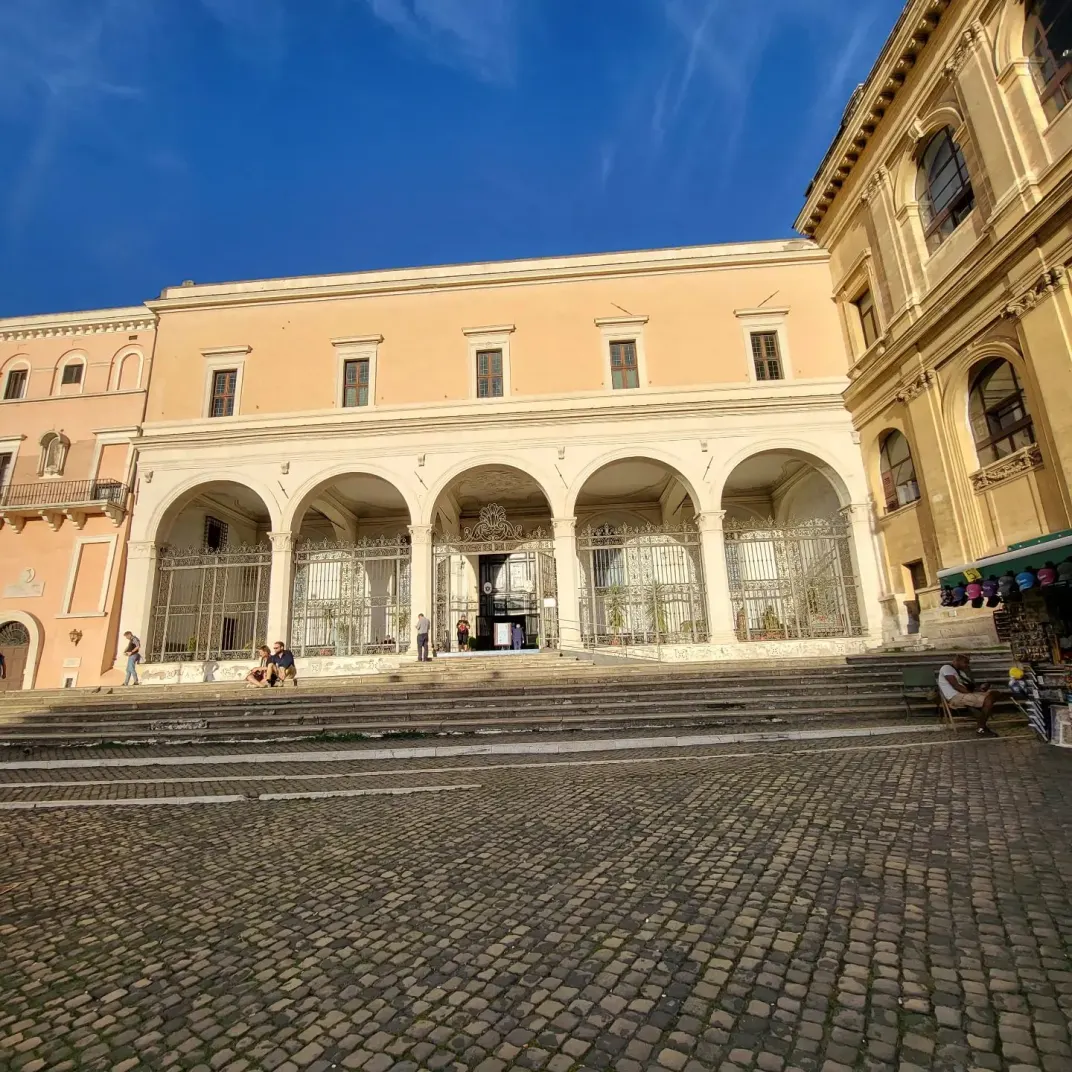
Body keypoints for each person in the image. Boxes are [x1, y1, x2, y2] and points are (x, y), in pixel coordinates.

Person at [938, 653, 995, 735]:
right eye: (965, 662)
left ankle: (980, 722)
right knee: (989, 699)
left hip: (965, 694)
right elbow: (956, 685)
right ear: (957, 661)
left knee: (994, 694)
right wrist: (972, 694)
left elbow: (969, 686)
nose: (967, 665)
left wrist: (980, 688)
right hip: (956, 696)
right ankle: (981, 726)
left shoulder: (961, 673)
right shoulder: (946, 668)